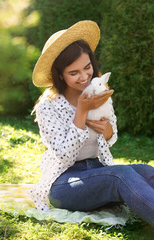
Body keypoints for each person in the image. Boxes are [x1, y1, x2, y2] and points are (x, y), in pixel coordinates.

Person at [29, 20, 154, 226]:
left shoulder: (99, 92)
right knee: (119, 175)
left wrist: (108, 132)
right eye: (73, 72)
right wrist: (82, 110)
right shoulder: (48, 107)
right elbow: (64, 155)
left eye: (87, 67)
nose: (84, 77)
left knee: (145, 171)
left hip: (96, 170)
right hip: (64, 183)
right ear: (60, 75)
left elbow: (110, 138)